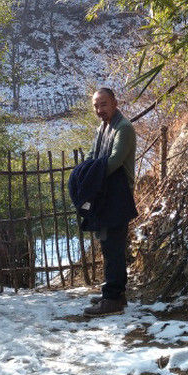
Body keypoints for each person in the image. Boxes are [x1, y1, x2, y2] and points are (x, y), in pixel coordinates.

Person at [69, 87, 136, 317]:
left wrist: (90, 176)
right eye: (96, 106)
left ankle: (112, 299)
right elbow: (92, 157)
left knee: (114, 247)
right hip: (106, 194)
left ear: (115, 103)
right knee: (108, 246)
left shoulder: (123, 128)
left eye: (104, 104)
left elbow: (114, 161)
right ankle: (115, 294)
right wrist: (81, 173)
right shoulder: (103, 128)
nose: (100, 110)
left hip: (117, 195)